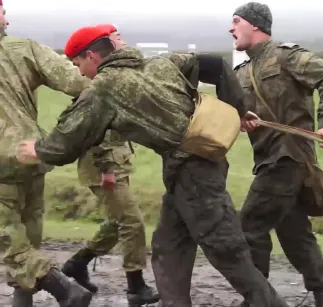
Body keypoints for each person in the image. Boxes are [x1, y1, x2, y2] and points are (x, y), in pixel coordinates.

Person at [16, 25, 289, 307]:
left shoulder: (104, 87)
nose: (81, 73)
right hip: (188, 169)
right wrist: (238, 110)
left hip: (194, 176)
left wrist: (38, 149)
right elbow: (217, 66)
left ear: (91, 56)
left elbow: (68, 140)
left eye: (78, 64)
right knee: (169, 247)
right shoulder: (161, 63)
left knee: (227, 252)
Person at [229, 2, 323, 306]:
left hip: (289, 157)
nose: (231, 29)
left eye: (236, 22)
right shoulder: (241, 71)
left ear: (254, 25)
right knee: (294, 232)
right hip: (266, 159)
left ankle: (257, 298)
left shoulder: (285, 56)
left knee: (249, 227)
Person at [0, 1, 94, 306]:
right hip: (32, 155)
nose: (7, 19)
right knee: (27, 239)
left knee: (11, 247)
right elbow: (80, 83)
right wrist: (68, 132)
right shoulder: (25, 48)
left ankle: (66, 291)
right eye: (3, 11)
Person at [59, 23, 159, 306]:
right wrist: (107, 170)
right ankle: (135, 287)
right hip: (103, 165)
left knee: (117, 224)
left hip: (114, 162)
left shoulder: (114, 73)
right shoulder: (97, 81)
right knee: (132, 222)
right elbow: (94, 128)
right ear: (101, 46)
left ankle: (78, 263)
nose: (122, 41)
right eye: (116, 37)